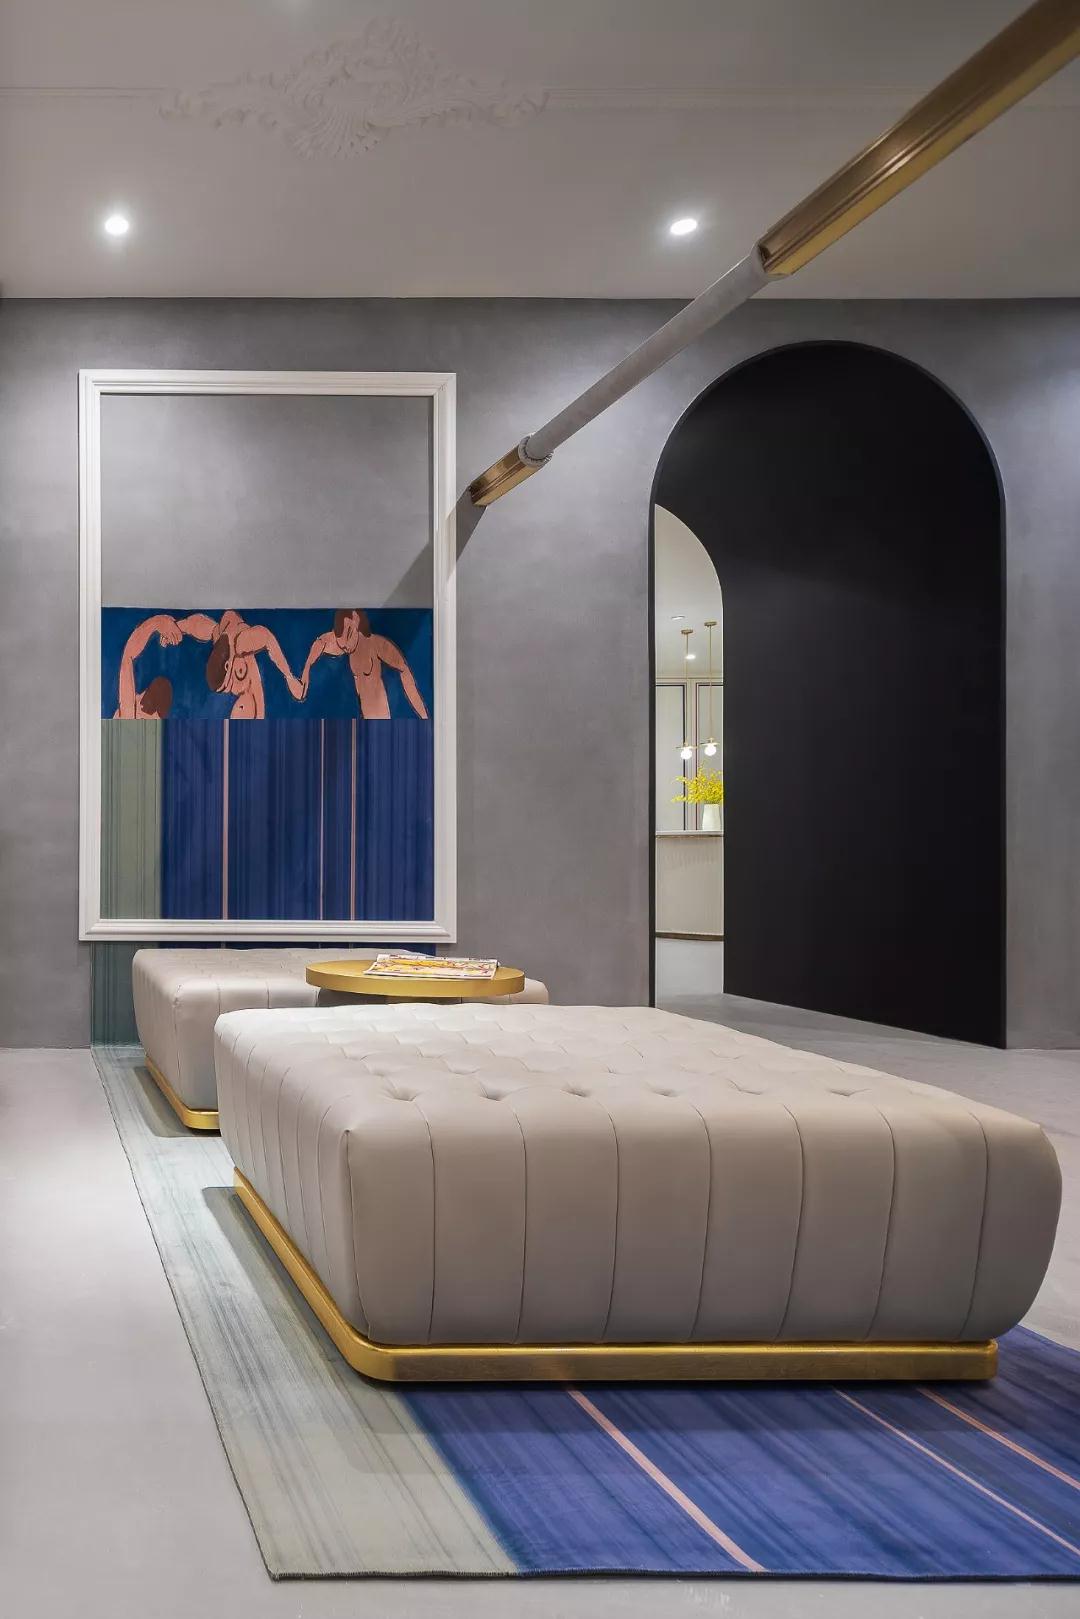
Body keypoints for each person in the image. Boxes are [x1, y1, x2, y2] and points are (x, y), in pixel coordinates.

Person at [301, 608, 428, 719]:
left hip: (382, 718)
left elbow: (403, 669)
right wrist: (306, 670)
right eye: (343, 645)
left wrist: (424, 717)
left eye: (349, 635)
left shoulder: (376, 644)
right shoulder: (345, 644)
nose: (347, 646)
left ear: (356, 620)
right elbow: (322, 642)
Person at [181, 610, 304, 719]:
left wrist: (289, 677)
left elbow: (267, 637)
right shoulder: (216, 634)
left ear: (227, 665)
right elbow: (193, 625)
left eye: (229, 685)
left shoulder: (241, 642)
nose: (233, 690)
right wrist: (177, 626)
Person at [113, 612, 182, 718]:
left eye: (141, 695)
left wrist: (156, 623)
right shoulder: (154, 720)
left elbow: (127, 658)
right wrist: (180, 628)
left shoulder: (130, 714)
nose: (136, 695)